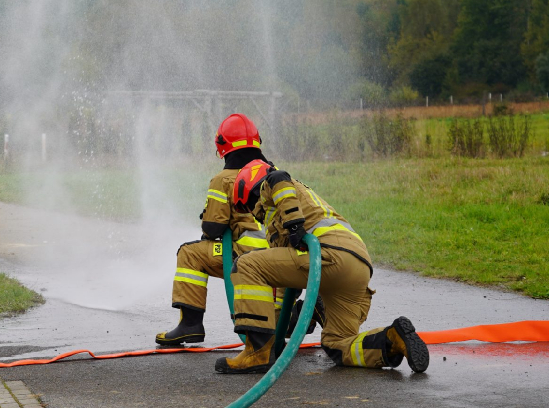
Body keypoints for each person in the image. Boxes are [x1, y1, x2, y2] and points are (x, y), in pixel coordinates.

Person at [215, 160, 429, 374]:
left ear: (249, 191)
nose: (254, 214)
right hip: (357, 265)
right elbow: (286, 277)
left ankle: (256, 354)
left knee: (246, 265)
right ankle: (392, 339)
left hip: (327, 253)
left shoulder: (271, 184)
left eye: (248, 207)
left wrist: (294, 224)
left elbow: (278, 179)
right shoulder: (309, 203)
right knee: (337, 343)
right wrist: (282, 319)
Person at [155, 113, 273, 346]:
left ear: (223, 146)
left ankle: (190, 325)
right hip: (277, 256)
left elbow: (212, 227)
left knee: (189, 253)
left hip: (241, 255)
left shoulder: (224, 179)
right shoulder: (273, 171)